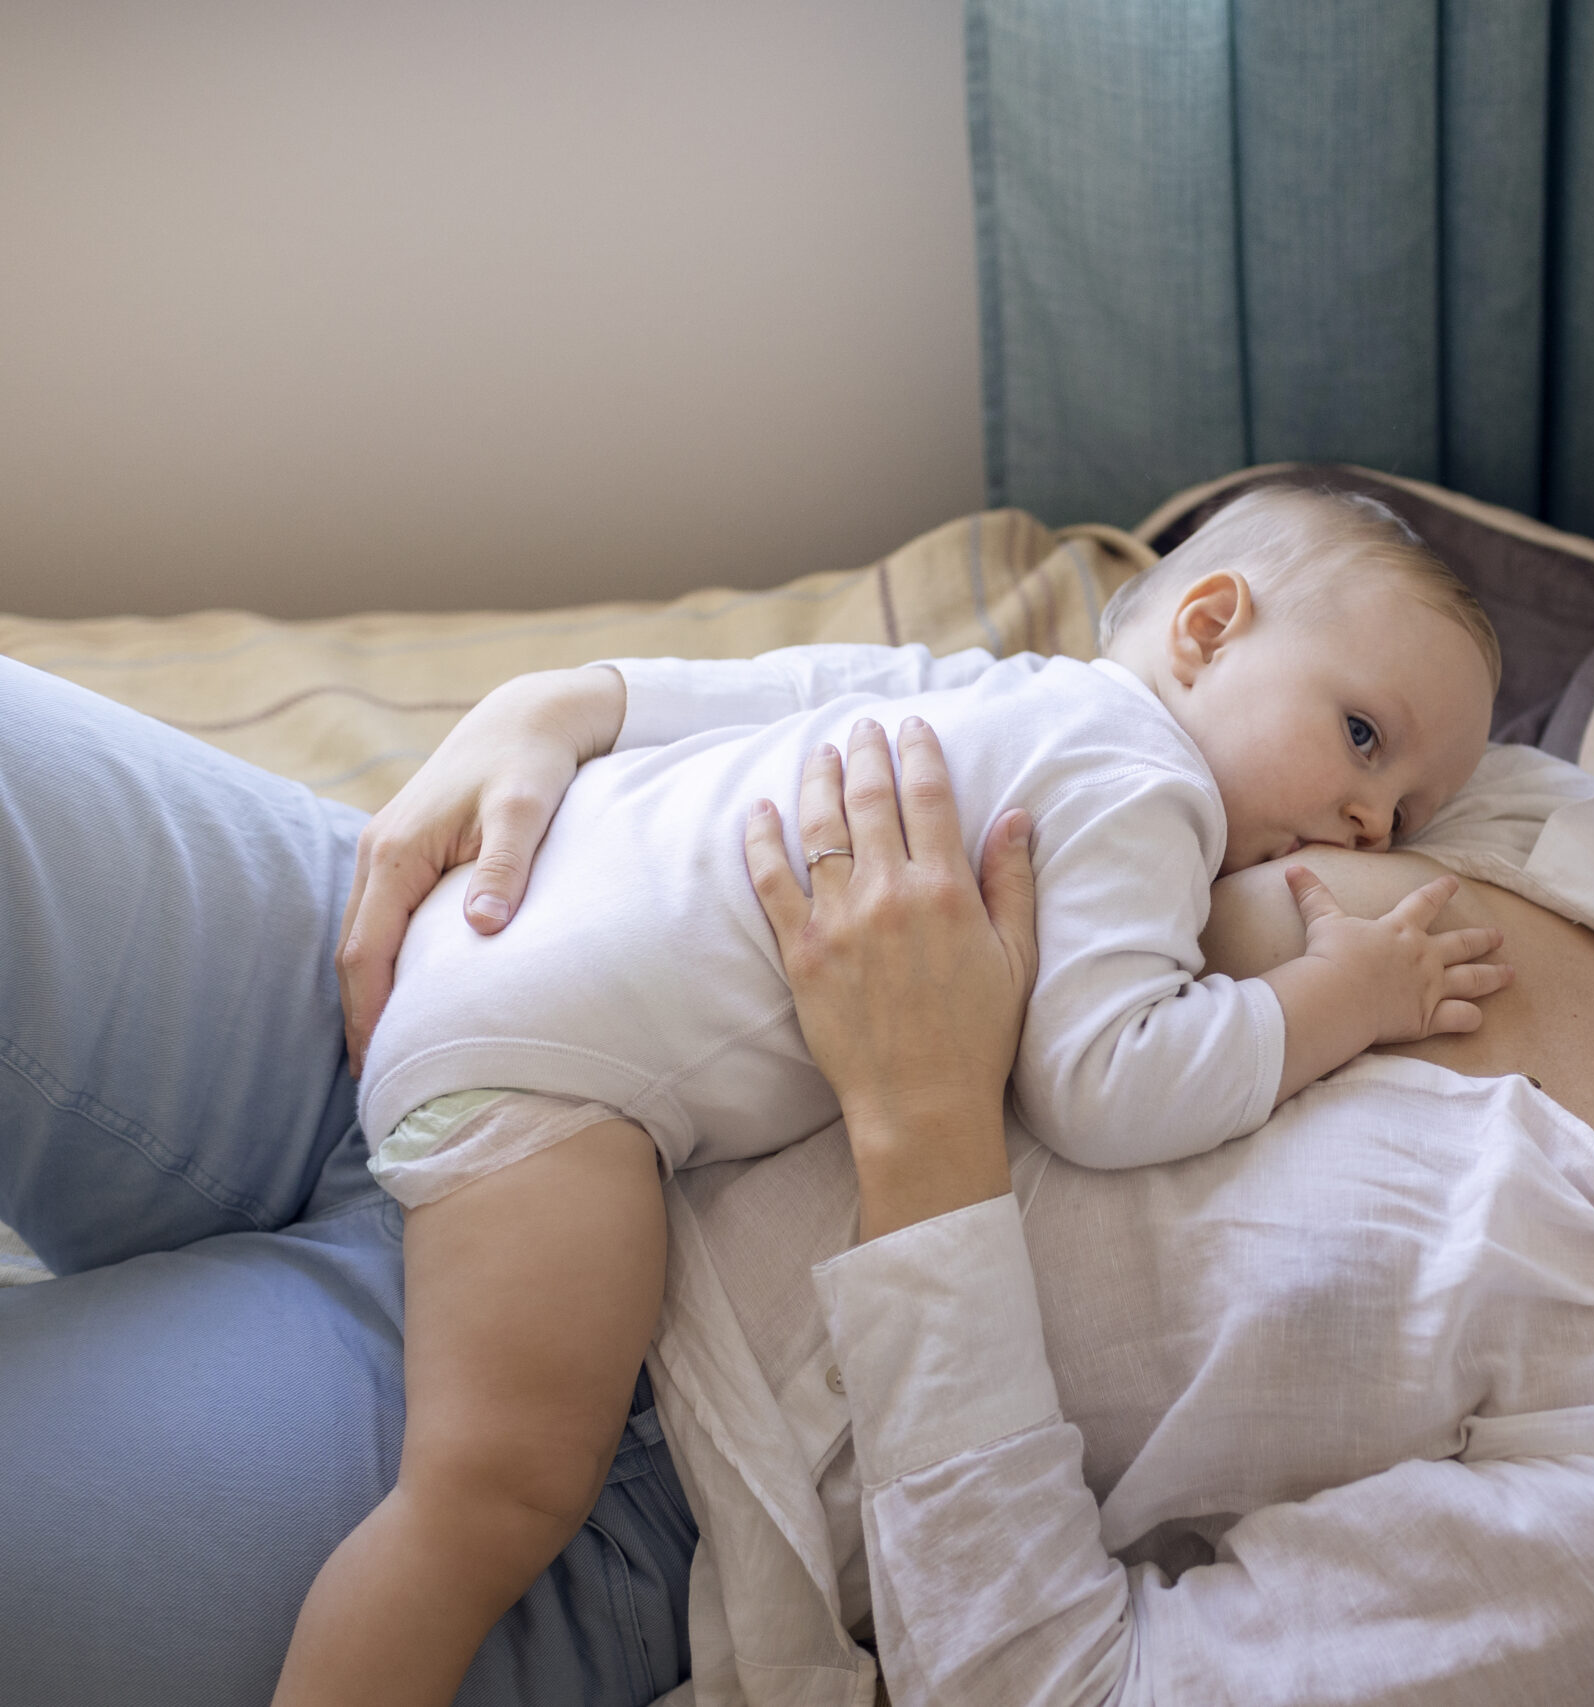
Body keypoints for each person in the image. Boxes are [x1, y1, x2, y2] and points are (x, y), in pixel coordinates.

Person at [0, 635, 1594, 1707]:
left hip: (587, 1436)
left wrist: (934, 1132)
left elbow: (1070, 1685)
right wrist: (591, 703)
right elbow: (1076, 710)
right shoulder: (1581, 839)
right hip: (524, 953)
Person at [285, 485, 1513, 1701]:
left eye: (1407, 810)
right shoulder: (1148, 793)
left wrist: (561, 705)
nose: (1368, 818)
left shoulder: (1000, 686)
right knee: (491, 1494)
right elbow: (1110, 1081)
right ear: (1207, 630)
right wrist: (1339, 1001)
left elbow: (772, 685)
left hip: (502, 913)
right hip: (551, 1073)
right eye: (1361, 736)